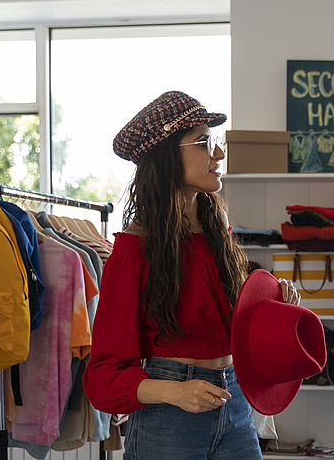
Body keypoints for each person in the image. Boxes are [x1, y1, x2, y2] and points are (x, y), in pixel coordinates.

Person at [83, 91, 301, 460]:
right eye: (204, 142)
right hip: (168, 417)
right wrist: (174, 392)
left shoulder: (217, 235)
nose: (219, 153)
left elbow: (228, 329)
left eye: (215, 141)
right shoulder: (134, 250)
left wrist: (272, 307)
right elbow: (101, 377)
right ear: (166, 157)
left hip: (234, 403)